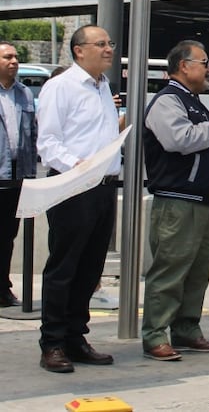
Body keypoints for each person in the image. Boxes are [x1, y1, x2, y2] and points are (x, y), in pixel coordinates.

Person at [36, 25, 122, 373]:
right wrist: (78, 166)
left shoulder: (103, 87)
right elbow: (49, 143)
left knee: (89, 268)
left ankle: (76, 336)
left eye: (109, 44)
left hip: (103, 186)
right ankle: (53, 343)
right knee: (65, 266)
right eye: (100, 44)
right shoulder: (61, 86)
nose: (108, 49)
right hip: (73, 186)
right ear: (78, 50)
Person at [141, 40, 209, 361]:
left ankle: (186, 329)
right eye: (204, 62)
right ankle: (154, 335)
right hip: (178, 202)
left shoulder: (191, 101)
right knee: (170, 270)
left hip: (202, 201)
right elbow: (177, 139)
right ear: (183, 66)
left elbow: (203, 143)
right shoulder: (168, 101)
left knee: (196, 272)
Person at [0, 42, 36, 308]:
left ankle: (3, 288)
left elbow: (32, 135)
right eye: (7, 57)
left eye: (16, 57)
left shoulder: (24, 94)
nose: (14, 61)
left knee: (8, 235)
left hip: (16, 176)